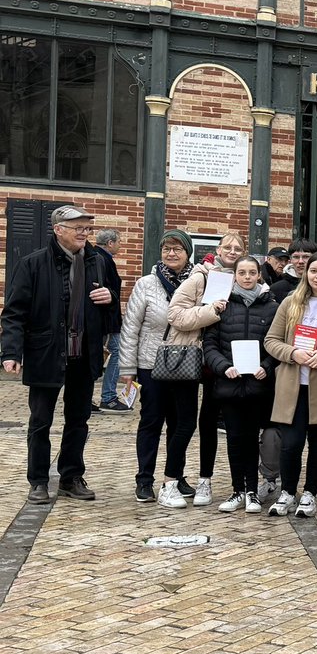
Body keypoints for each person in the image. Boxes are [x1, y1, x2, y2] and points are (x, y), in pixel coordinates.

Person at [2, 205, 118, 503]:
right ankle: (38, 481)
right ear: (58, 230)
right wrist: (11, 351)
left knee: (78, 420)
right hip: (46, 353)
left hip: (84, 354)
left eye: (87, 228)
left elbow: (113, 311)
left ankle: (70, 477)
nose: (84, 232)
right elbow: (14, 313)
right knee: (40, 421)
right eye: (77, 227)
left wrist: (110, 299)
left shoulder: (99, 262)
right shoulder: (33, 264)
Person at [163, 231, 248, 509]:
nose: (232, 251)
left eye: (238, 248)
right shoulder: (200, 276)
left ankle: (205, 480)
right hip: (189, 358)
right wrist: (210, 311)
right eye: (227, 246)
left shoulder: (246, 279)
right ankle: (169, 483)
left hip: (219, 363)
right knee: (185, 423)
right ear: (218, 248)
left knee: (210, 423)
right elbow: (175, 316)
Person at [119, 230, 201, 504]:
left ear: (188, 252)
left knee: (181, 423)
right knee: (152, 420)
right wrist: (127, 369)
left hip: (185, 362)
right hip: (150, 364)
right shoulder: (146, 284)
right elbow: (130, 329)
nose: (171, 254)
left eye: (177, 249)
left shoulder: (198, 284)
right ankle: (144, 479)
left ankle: (175, 476)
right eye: (167, 249)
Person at [263, 250, 317, 518]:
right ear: (305, 273)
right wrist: (292, 353)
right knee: (291, 442)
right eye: (314, 271)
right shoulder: (290, 303)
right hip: (292, 382)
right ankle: (288, 492)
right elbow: (271, 340)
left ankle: (309, 493)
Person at [202, 255, 278, 513]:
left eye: (251, 273)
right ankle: (237, 491)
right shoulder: (221, 306)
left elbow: (275, 344)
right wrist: (223, 367)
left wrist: (266, 367)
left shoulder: (271, 307)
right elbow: (209, 344)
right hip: (229, 383)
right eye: (241, 272)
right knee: (235, 439)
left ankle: (253, 493)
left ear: (259, 275)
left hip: (258, 384)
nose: (246, 277)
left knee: (253, 438)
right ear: (234, 276)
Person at [94, 228, 129, 413]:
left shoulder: (96, 257)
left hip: (104, 321)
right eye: (119, 242)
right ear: (110, 243)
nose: (120, 245)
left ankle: (86, 398)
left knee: (95, 355)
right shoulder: (102, 260)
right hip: (106, 321)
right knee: (118, 352)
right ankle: (108, 397)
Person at [269, 238, 317, 303]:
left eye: (306, 257)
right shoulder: (277, 288)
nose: (300, 261)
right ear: (291, 259)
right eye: (296, 257)